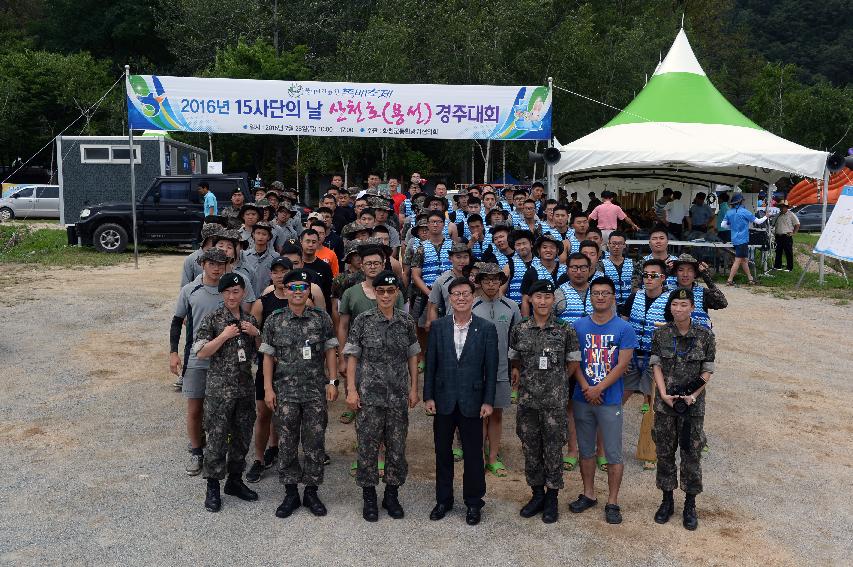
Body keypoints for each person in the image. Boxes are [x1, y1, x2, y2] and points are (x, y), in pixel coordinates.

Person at [260, 270, 339, 519]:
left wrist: (332, 381)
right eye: (293, 287)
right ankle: (291, 492)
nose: (297, 292)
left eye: (302, 288)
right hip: (285, 393)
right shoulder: (274, 320)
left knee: (315, 442)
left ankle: (312, 491)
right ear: (285, 290)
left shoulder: (321, 318)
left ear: (308, 291)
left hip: (315, 391)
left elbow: (330, 351)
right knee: (287, 442)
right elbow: (268, 357)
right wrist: (268, 388)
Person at [344, 271, 420, 522]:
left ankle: (391, 494)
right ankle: (369, 496)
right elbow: (352, 356)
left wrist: (413, 389)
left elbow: (412, 356)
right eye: (381, 291)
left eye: (390, 291)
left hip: (397, 396)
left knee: (397, 448)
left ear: (396, 292)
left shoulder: (406, 321)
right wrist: (352, 390)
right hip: (369, 396)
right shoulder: (363, 321)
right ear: (375, 293)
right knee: (367, 447)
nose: (386, 295)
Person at [424, 277, 498, 526]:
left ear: (473, 296)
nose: (461, 298)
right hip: (443, 400)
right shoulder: (438, 327)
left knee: (473, 455)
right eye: (455, 294)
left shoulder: (486, 329)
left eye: (465, 293)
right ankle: (443, 500)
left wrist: (488, 401)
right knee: (443, 452)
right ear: (449, 298)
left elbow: (491, 368)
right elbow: (431, 365)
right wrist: (429, 396)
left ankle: (474, 502)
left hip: (473, 401)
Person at [509, 280, 580, 523]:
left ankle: (552, 497)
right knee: (530, 448)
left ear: (553, 300)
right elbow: (515, 359)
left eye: (547, 297)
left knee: (553, 449)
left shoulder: (565, 329)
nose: (542, 301)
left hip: (554, 402)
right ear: (530, 299)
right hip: (528, 401)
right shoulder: (520, 329)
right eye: (538, 297)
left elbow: (572, 363)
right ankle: (537, 494)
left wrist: (557, 382)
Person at [570, 276, 638, 525]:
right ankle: (588, 493)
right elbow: (574, 361)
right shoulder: (578, 326)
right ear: (591, 297)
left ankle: (612, 501)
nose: (600, 296)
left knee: (613, 453)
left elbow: (622, 365)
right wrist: (587, 386)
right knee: (585, 450)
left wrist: (600, 388)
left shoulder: (623, 328)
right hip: (582, 395)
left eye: (605, 293)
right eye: (596, 293)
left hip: (609, 399)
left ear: (613, 297)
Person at [193, 273, 261, 512]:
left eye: (236, 292)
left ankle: (234, 481)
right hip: (220, 391)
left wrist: (256, 333)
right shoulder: (213, 319)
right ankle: (212, 487)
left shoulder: (249, 319)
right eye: (228, 292)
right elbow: (201, 352)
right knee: (217, 439)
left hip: (244, 389)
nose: (232, 296)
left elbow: (261, 353)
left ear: (243, 293)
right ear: (222, 294)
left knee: (242, 436)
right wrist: (223, 336)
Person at [650, 287, 715, 531]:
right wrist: (663, 394)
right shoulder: (661, 334)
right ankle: (667, 501)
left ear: (692, 307)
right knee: (664, 452)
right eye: (675, 304)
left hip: (692, 407)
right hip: (666, 404)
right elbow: (655, 365)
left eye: (684, 305)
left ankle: (690, 504)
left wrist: (692, 396)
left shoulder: (705, 335)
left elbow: (707, 370)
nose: (679, 309)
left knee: (691, 454)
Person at [170, 248, 229, 475]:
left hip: (224, 359)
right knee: (195, 408)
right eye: (212, 263)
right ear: (203, 264)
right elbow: (177, 322)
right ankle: (196, 451)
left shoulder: (229, 290)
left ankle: (218, 449)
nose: (216, 268)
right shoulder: (190, 290)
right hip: (196, 358)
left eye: (221, 264)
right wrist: (173, 353)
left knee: (221, 408)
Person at [245, 257, 293, 483]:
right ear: (271, 275)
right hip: (269, 366)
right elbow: (254, 335)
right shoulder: (262, 302)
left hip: (293, 369)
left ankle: (282, 453)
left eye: (285, 271)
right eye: (276, 272)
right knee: (264, 413)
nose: (280, 275)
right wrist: (265, 355)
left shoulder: (302, 300)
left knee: (288, 415)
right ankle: (258, 458)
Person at [619, 259, 670, 469]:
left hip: (654, 360)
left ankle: (651, 450)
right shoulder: (634, 297)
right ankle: (604, 445)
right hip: (632, 356)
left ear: (663, 278)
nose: (649, 279)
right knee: (617, 401)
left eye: (654, 275)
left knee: (653, 407)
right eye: (646, 275)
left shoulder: (669, 301)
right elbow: (622, 325)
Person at [472, 263, 521, 478]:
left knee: (497, 414)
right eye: (486, 280)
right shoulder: (471, 306)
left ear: (501, 282)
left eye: (495, 280)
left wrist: (516, 366)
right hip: (476, 371)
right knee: (479, 414)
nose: (491, 284)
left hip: (502, 369)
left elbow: (517, 338)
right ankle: (478, 456)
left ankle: (493, 457)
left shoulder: (511, 306)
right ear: (480, 282)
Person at [722, 192, 768, 286]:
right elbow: (758, 222)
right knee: (738, 260)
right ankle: (729, 280)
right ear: (740, 201)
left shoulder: (729, 212)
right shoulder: (745, 212)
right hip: (743, 239)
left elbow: (723, 225)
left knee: (744, 260)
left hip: (734, 239)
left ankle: (750, 279)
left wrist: (732, 227)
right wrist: (766, 216)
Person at [670, 254, 727, 329]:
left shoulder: (703, 293)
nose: (685, 274)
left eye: (690, 270)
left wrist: (706, 277)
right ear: (675, 273)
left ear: (695, 274)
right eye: (681, 270)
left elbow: (722, 303)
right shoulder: (666, 291)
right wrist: (666, 271)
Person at [426, 243, 472, 327]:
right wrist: (434, 329)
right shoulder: (441, 280)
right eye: (458, 257)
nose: (462, 261)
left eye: (465, 257)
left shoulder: (474, 279)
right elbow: (433, 307)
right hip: (450, 326)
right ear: (450, 259)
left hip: (473, 325)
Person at [519, 234, 566, 316]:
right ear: (538, 251)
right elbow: (525, 300)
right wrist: (525, 321)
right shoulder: (531, 272)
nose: (548, 250)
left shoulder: (566, 271)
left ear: (557, 251)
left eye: (552, 247)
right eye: (544, 247)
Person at [602, 231, 634, 307]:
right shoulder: (601, 264)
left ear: (624, 245)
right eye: (613, 243)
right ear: (608, 245)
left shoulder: (633, 264)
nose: (616, 246)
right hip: (608, 305)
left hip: (630, 305)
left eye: (619, 244)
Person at [243, 222, 276, 298]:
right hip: (247, 297)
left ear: (269, 237)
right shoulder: (244, 255)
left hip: (267, 296)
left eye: (264, 234)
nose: (260, 237)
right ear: (253, 235)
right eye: (258, 233)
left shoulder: (275, 256)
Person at [502, 229, 535, 304]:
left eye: (524, 243)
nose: (522, 247)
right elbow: (501, 292)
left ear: (531, 244)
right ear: (514, 247)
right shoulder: (509, 265)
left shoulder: (540, 262)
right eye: (518, 244)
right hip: (516, 309)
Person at [773, 200, 799, 272]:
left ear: (786, 207)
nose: (781, 208)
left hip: (787, 236)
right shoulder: (777, 215)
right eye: (780, 207)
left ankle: (789, 268)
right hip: (778, 236)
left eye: (783, 207)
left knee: (788, 252)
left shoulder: (791, 214)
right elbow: (773, 224)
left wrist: (793, 233)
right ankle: (777, 266)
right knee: (778, 251)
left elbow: (797, 224)